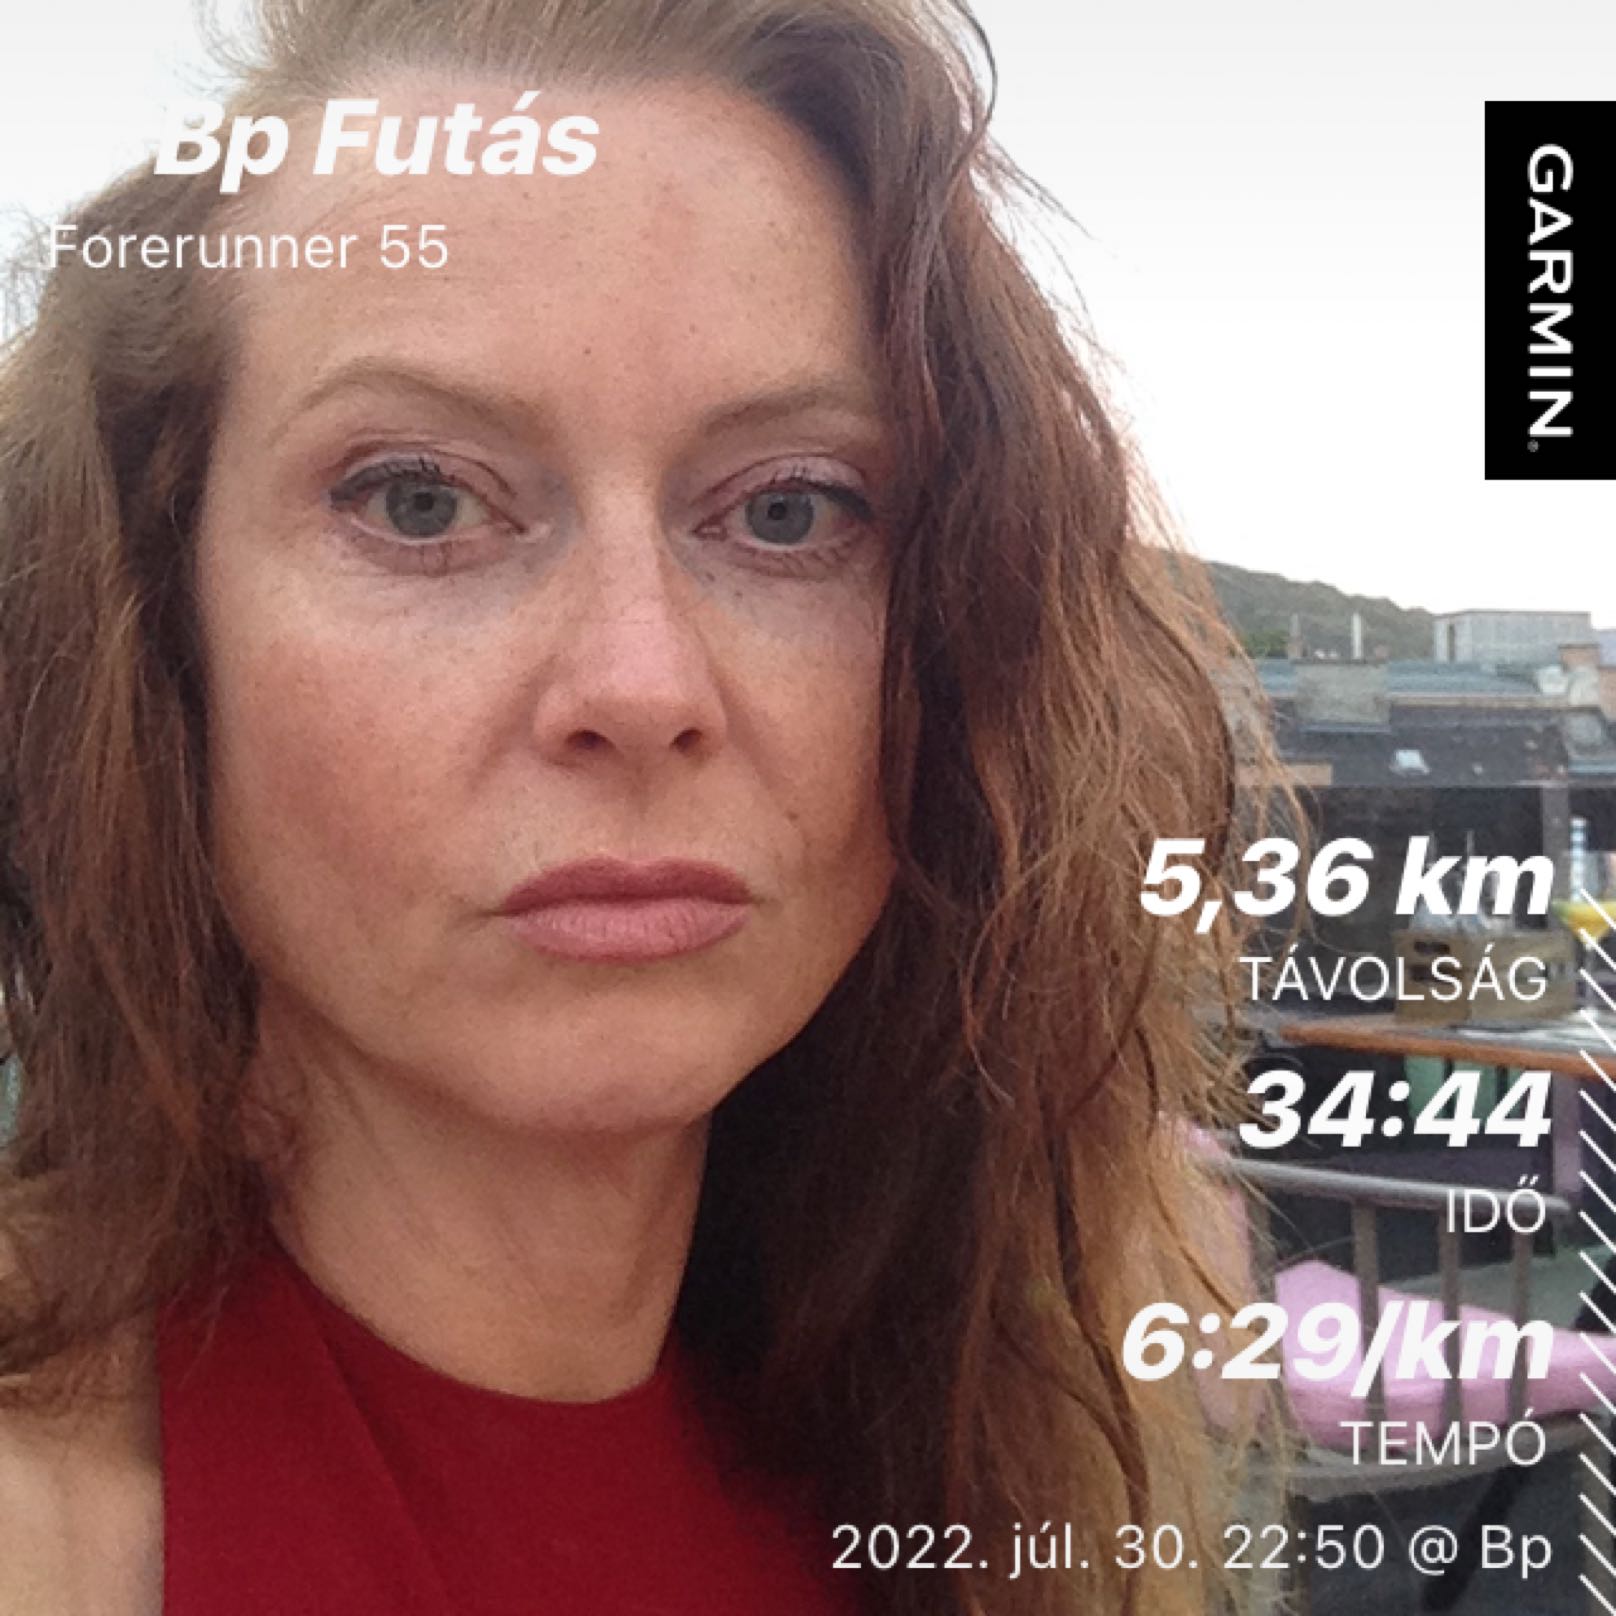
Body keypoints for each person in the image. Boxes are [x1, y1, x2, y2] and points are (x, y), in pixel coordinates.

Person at [0, 1, 1261, 1612]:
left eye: (790, 511)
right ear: (151, 627)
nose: (644, 682)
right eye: (419, 500)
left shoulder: (991, 1451)